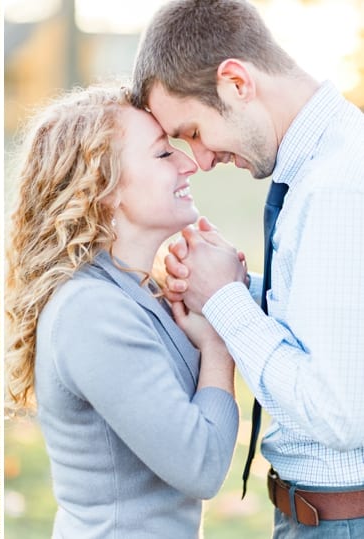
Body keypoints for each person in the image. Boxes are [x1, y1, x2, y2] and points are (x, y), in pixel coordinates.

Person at [131, 1, 364, 536]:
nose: (201, 159)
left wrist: (225, 301)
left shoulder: (337, 185)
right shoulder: (319, 168)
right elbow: (332, 333)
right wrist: (237, 285)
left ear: (236, 82)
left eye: (191, 131)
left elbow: (337, 412)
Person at [5, 86, 239, 538]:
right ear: (104, 187)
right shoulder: (91, 311)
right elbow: (202, 466)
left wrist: (232, 292)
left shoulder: (136, 288)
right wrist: (217, 343)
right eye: (162, 154)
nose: (188, 162)